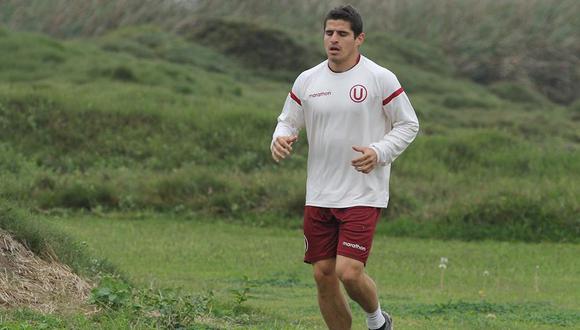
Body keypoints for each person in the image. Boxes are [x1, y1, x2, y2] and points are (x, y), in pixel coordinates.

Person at [271, 4, 419, 330]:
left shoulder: (380, 78)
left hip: (363, 192)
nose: (334, 40)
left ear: (359, 38)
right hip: (320, 192)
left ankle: (377, 321)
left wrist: (379, 152)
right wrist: (280, 138)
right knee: (323, 274)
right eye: (329, 33)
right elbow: (287, 122)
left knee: (348, 271)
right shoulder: (307, 80)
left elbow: (408, 125)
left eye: (342, 34)